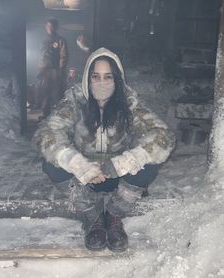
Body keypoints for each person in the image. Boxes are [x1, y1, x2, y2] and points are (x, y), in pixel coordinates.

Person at [34, 47, 176, 252]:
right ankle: (93, 216)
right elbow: (46, 134)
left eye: (108, 76)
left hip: (120, 178)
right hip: (85, 180)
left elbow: (164, 136)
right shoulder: (76, 100)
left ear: (117, 78)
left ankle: (115, 214)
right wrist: (79, 165)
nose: (101, 82)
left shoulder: (128, 102)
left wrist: (122, 163)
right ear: (87, 78)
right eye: (96, 76)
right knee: (51, 162)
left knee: (152, 160)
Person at [38, 17, 67, 118]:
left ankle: (58, 116)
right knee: (45, 91)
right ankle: (45, 113)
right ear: (46, 27)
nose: (50, 28)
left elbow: (63, 55)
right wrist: (41, 68)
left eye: (52, 26)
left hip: (55, 69)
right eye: (48, 26)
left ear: (56, 27)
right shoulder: (43, 40)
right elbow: (41, 55)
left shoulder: (60, 40)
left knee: (57, 91)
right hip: (45, 69)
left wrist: (60, 69)